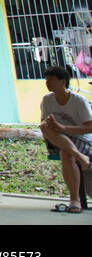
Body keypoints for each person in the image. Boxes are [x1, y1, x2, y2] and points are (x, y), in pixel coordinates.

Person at [38, 64, 92, 213]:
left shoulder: (78, 101)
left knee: (66, 153)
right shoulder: (47, 100)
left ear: (63, 81)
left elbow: (90, 127)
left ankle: (75, 200)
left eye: (51, 80)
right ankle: (80, 157)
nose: (47, 83)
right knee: (44, 126)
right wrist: (55, 128)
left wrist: (64, 128)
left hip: (83, 140)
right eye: (46, 80)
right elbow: (44, 124)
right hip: (57, 139)